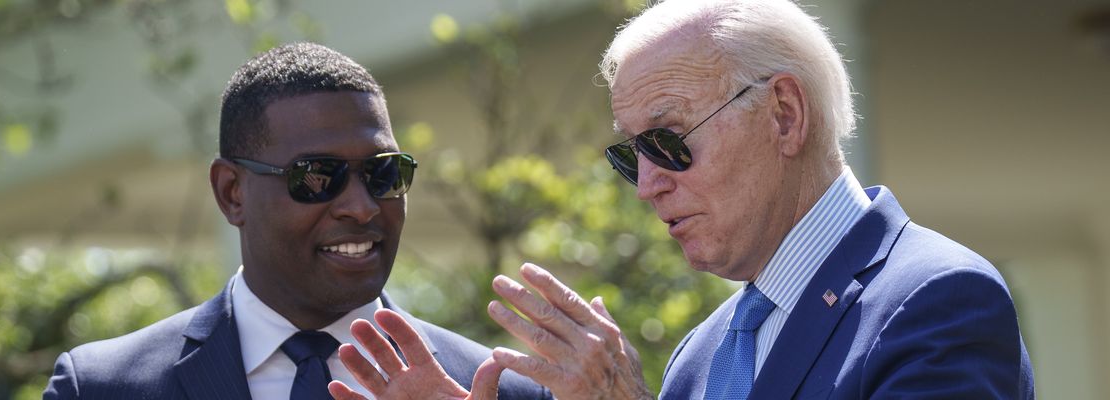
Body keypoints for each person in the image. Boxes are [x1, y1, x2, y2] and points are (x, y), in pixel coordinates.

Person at [331, 1, 1036, 399]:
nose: (646, 184)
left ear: (784, 115)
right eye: (628, 154)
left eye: (668, 141)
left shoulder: (938, 300)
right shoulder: (702, 354)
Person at [43, 42, 548, 400]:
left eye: (383, 173)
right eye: (318, 176)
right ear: (232, 192)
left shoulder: (498, 389)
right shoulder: (103, 387)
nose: (362, 206)